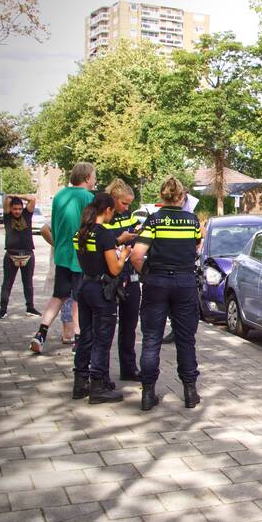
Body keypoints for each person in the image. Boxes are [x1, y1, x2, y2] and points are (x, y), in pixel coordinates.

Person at [131, 176, 201, 411]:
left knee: (151, 339)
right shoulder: (192, 221)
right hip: (185, 282)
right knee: (185, 339)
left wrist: (146, 275)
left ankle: (148, 394)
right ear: (182, 197)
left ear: (162, 196)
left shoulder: (154, 221)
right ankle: (190, 392)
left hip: (157, 282)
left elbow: (136, 255)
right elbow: (197, 247)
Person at [31, 162, 96, 353]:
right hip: (79, 256)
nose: (95, 181)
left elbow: (53, 226)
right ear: (86, 178)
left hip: (61, 255)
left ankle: (41, 333)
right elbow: (90, 226)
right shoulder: (87, 197)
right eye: (93, 177)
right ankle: (78, 338)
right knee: (78, 298)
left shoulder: (59, 196)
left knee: (58, 295)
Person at [72, 192, 130, 403]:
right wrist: (123, 255)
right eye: (112, 212)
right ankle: (97, 386)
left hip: (84, 285)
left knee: (85, 337)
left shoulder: (80, 233)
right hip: (101, 290)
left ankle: (80, 382)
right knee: (102, 339)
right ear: (107, 210)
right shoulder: (104, 234)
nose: (112, 216)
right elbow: (114, 270)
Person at [103, 179, 141, 381]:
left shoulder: (128, 215)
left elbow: (135, 238)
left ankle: (129, 368)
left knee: (130, 325)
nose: (127, 208)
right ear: (113, 200)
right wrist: (120, 240)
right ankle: (102, 373)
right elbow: (100, 242)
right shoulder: (103, 217)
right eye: (124, 203)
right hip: (110, 278)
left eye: (129, 204)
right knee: (107, 327)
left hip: (130, 276)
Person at [0, 194, 40, 319]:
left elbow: (32, 199)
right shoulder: (7, 216)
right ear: (11, 209)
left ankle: (30, 307)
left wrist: (16, 195)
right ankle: (3, 309)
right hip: (11, 255)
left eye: (19, 209)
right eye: (14, 209)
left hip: (27, 255)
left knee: (28, 283)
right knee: (7, 283)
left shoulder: (27, 215)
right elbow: (6, 201)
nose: (17, 211)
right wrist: (10, 197)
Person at [40, 224, 78, 346]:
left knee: (60, 297)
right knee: (74, 299)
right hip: (74, 263)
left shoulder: (60, 207)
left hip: (62, 262)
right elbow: (44, 229)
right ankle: (73, 336)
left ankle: (40, 334)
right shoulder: (81, 209)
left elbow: (44, 229)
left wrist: (59, 246)